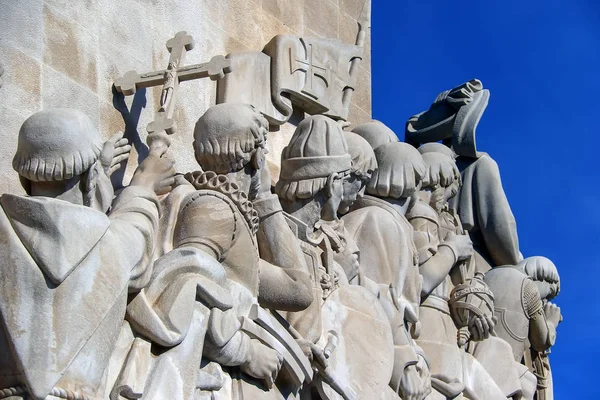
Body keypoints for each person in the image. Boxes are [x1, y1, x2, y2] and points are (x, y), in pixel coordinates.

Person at [118, 103, 314, 400]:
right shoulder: (215, 208)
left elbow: (298, 291)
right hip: (220, 379)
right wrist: (245, 351)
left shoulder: (228, 210)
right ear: (257, 156)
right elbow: (183, 289)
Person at [0, 108, 174, 399]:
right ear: (90, 176)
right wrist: (142, 183)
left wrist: (95, 174)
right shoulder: (115, 243)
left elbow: (55, 222)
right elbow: (135, 224)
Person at [407, 147, 507, 399]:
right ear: (433, 180)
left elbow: (462, 285)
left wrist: (472, 315)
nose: (448, 200)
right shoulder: (422, 213)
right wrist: (452, 249)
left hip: (444, 324)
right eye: (446, 189)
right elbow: (421, 281)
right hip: (426, 321)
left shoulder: (443, 219)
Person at [341, 139, 432, 400]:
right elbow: (377, 304)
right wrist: (405, 366)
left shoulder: (391, 223)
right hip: (375, 361)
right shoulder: (378, 221)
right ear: (410, 181)